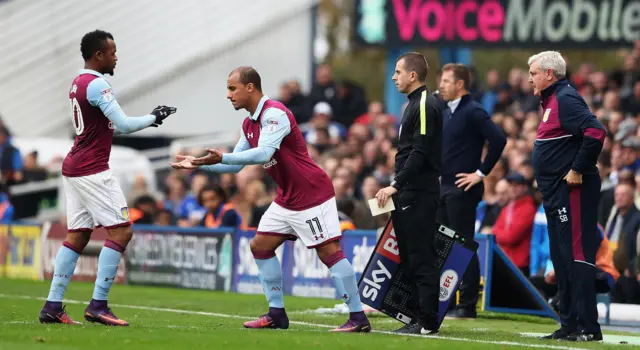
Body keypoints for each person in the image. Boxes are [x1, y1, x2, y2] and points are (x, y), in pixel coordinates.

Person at [170, 66, 370, 333]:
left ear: (250, 87)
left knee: (329, 253)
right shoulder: (248, 123)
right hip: (286, 197)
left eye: (232, 88)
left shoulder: (274, 113)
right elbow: (232, 167)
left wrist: (224, 157)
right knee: (260, 246)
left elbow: (263, 154)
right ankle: (276, 314)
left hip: (311, 194)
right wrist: (196, 164)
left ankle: (358, 318)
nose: (228, 95)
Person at [38, 30, 177, 326]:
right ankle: (98, 305)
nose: (116, 57)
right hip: (92, 169)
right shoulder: (98, 84)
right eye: (112, 52)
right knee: (122, 232)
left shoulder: (78, 82)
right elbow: (124, 124)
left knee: (77, 236)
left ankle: (52, 306)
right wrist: (155, 117)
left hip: (74, 166)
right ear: (98, 55)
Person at [529, 51, 606, 342]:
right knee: (561, 258)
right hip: (555, 193)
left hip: (572, 190)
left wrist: (577, 169)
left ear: (550, 73)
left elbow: (596, 132)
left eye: (534, 72)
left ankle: (588, 327)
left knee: (575, 255)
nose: (530, 77)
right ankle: (570, 323)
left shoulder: (565, 99)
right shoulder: (551, 101)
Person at [374, 52, 443, 335]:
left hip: (418, 192)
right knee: (410, 257)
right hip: (408, 192)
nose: (394, 77)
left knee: (420, 256)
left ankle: (426, 321)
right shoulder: (413, 105)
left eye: (398, 71)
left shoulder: (425, 103)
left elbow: (421, 150)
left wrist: (396, 184)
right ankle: (417, 317)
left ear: (413, 75)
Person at [437, 63, 506, 319]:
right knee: (443, 245)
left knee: (462, 245)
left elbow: (498, 140)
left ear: (459, 84)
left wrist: (480, 173)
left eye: (445, 81)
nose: (441, 85)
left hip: (461, 190)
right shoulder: (445, 113)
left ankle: (466, 304)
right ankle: (448, 301)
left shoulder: (474, 111)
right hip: (443, 187)